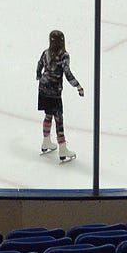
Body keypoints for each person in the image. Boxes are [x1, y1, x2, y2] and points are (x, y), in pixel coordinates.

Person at [36, 29, 84, 162]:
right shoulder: (64, 55)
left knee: (48, 115)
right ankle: (62, 148)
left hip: (43, 89)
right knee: (59, 119)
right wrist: (78, 86)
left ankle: (46, 140)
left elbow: (39, 64)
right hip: (54, 91)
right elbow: (67, 73)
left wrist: (39, 76)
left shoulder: (46, 53)